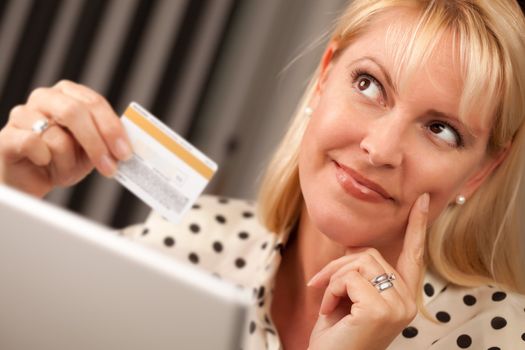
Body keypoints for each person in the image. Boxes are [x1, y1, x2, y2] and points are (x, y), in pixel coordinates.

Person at [1, 0, 525, 348]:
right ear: (323, 79)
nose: (380, 148)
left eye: (441, 129)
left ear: (481, 172)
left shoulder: (502, 337)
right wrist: (11, 200)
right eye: (369, 85)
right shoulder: (187, 243)